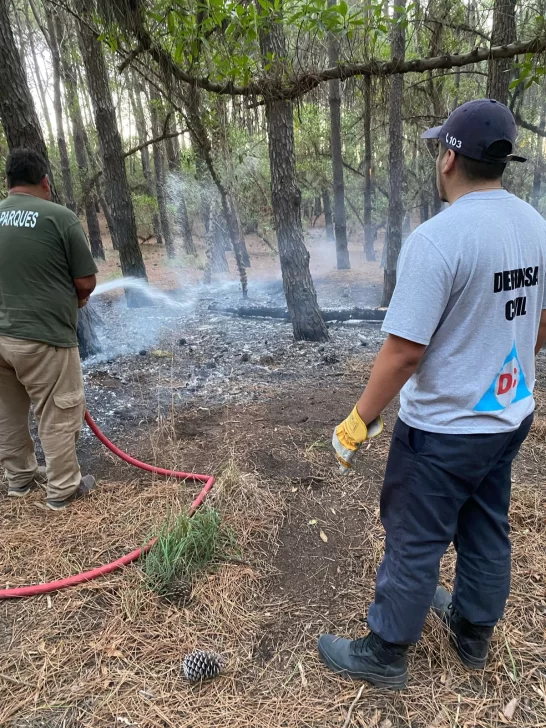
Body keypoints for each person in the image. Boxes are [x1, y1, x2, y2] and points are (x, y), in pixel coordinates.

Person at [318, 99, 546, 689]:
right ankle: (473, 632)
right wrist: (512, 360)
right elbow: (541, 321)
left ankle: (386, 651)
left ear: (449, 157)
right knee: (485, 520)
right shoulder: (535, 226)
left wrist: (358, 421)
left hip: (444, 430)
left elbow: (404, 352)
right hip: (507, 414)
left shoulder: (438, 240)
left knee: (415, 536)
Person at [0, 148, 98, 511]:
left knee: (8, 412)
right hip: (44, 339)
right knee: (58, 412)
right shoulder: (60, 217)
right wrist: (73, 300)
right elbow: (86, 282)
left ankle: (19, 481)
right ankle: (62, 490)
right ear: (45, 182)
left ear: (8, 184)